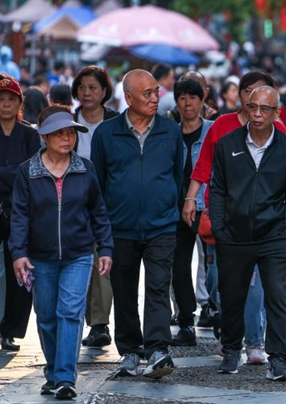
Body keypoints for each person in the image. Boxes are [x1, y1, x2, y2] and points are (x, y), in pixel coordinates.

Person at [182, 71, 286, 365]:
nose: (255, 100)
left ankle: (253, 341)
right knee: (218, 281)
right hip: (222, 218)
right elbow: (203, 166)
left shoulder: (278, 130)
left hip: (263, 222)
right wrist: (191, 199)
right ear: (241, 95)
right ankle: (228, 331)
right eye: (249, 91)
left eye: (262, 93)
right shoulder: (222, 125)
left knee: (255, 285)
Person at [8, 107, 114, 399]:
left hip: (78, 254)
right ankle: (53, 372)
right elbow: (19, 216)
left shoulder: (85, 168)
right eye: (59, 134)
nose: (67, 138)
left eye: (71, 133)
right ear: (44, 137)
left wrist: (105, 248)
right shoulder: (27, 171)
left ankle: (65, 377)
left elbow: (99, 212)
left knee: (69, 313)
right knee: (45, 316)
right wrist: (18, 253)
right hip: (39, 256)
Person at [92, 69, 183, 379]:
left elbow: (177, 175)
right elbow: (99, 181)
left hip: (161, 225)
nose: (156, 98)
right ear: (128, 98)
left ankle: (158, 349)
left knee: (158, 286)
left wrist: (167, 205)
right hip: (120, 226)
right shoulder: (106, 134)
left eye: (156, 91)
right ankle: (130, 350)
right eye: (148, 94)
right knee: (124, 290)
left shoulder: (171, 131)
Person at [209, 86, 286, 380]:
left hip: (274, 236)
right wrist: (220, 228)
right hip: (234, 235)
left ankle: (279, 359)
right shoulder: (228, 144)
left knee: (277, 296)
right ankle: (231, 351)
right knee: (231, 296)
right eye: (253, 107)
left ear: (277, 113)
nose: (257, 114)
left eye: (265, 109)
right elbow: (217, 189)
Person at [0, 76, 40, 352]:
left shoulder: (30, 135)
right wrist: (9, 178)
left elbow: (32, 175)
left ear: (19, 103)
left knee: (20, 273)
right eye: (0, 99)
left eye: (11, 99)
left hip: (19, 214)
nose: (6, 104)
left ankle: (10, 331)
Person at [71, 65, 119, 349]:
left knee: (103, 260)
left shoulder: (115, 123)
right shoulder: (67, 122)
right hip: (72, 203)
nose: (86, 93)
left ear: (104, 92)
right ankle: (76, 319)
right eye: (82, 87)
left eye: (92, 87)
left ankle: (99, 324)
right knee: (77, 260)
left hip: (107, 202)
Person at [171, 78, 213, 347]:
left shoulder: (213, 131)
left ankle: (217, 314)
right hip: (176, 207)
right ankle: (186, 321)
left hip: (207, 205)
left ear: (202, 101)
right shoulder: (170, 133)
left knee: (214, 265)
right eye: (182, 97)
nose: (187, 103)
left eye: (193, 97)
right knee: (178, 265)